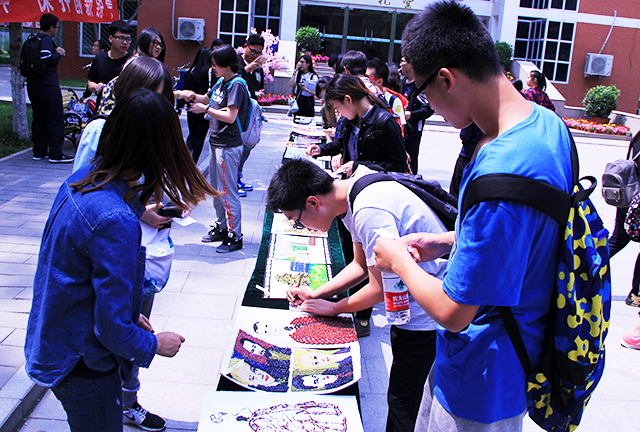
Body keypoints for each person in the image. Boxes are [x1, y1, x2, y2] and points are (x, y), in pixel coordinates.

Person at [372, 2, 572, 431]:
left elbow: (454, 311)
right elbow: (524, 234)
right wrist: (447, 241)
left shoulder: (500, 170)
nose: (428, 105)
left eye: (423, 91)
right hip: (517, 355)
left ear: (446, 79)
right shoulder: (547, 126)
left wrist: (398, 260)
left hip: (480, 376)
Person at [25, 88, 218, 432]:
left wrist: (129, 313)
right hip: (83, 363)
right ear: (158, 151)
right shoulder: (115, 219)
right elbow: (110, 328)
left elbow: (81, 277)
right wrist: (154, 344)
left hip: (59, 342)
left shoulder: (82, 180)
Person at [268, 158, 447, 431]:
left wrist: (335, 308)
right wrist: (316, 293)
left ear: (313, 203)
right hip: (418, 299)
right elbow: (360, 266)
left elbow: (378, 288)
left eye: (298, 222)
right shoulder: (355, 191)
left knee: (404, 403)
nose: (303, 228)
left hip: (428, 312)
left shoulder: (368, 211)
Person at [188, 45, 250, 253]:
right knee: (216, 189)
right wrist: (186, 95)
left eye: (215, 64)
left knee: (227, 191)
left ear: (226, 64)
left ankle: (235, 235)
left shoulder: (237, 85)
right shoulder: (221, 82)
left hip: (228, 146)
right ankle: (222, 227)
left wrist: (205, 109)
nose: (212, 67)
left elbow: (230, 116)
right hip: (216, 143)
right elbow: (207, 98)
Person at [306, 74, 407, 177]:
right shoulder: (349, 121)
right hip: (352, 182)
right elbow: (341, 144)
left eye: (336, 107)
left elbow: (398, 166)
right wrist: (321, 149)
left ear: (348, 99)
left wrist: (358, 166)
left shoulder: (385, 122)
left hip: (373, 184)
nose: (338, 112)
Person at [27, 14, 74, 163]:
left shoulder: (33, 39)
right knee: (55, 119)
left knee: (38, 118)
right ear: (51, 27)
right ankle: (55, 154)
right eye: (57, 27)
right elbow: (46, 57)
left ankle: (39, 152)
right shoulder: (47, 40)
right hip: (48, 85)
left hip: (33, 85)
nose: (57, 30)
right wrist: (58, 54)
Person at [236, 33, 267, 194]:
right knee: (235, 150)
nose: (255, 56)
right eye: (253, 51)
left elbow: (257, 87)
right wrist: (248, 68)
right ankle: (232, 183)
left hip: (251, 114)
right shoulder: (236, 62)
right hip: (235, 114)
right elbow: (233, 81)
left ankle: (238, 178)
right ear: (245, 46)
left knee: (247, 147)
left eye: (259, 53)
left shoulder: (259, 69)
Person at [400, 56, 434, 174]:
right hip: (400, 127)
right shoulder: (402, 82)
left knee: (412, 159)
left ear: (411, 64)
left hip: (413, 129)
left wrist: (411, 115)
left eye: (403, 61)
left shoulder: (420, 85)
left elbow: (428, 109)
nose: (401, 64)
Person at [87, 20, 133, 106]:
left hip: (124, 107)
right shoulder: (99, 59)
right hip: (103, 107)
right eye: (121, 38)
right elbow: (90, 83)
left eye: (128, 39)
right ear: (111, 38)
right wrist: (97, 86)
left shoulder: (132, 61)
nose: (125, 42)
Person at [181, 47, 212, 164]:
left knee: (192, 134)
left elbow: (184, 89)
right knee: (200, 137)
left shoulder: (191, 72)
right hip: (204, 107)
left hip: (192, 107)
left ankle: (186, 160)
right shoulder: (210, 73)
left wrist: (181, 105)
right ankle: (194, 162)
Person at [449, 122, 483, 198]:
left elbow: (464, 135)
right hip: (482, 155)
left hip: (467, 153)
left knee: (457, 187)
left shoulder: (472, 118)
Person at [288, 54, 318, 119]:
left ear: (308, 64)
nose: (300, 64)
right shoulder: (298, 74)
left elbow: (317, 93)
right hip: (299, 101)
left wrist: (307, 90)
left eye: (302, 62)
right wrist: (295, 71)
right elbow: (291, 84)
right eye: (299, 62)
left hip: (308, 102)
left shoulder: (313, 76)